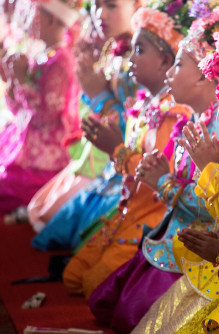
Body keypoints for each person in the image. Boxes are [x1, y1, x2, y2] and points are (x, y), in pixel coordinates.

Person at [86, 2, 219, 331]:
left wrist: (162, 181)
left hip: (195, 250)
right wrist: (156, 172)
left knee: (128, 316)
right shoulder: (191, 121)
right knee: (103, 301)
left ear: (204, 78)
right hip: (163, 233)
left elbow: (218, 208)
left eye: (178, 65)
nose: (169, 74)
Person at [62, 1, 192, 299]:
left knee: (91, 285)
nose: (130, 58)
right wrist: (112, 149)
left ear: (165, 60)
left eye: (140, 50)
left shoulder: (174, 113)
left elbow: (160, 176)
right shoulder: (142, 105)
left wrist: (117, 150)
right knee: (72, 276)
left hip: (152, 217)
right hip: (125, 212)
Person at [31, 0, 143, 250]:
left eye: (112, 6)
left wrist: (99, 97)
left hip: (128, 168)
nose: (100, 14)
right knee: (42, 219)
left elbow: (137, 129)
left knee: (62, 236)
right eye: (96, 5)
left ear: (137, 5)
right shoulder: (114, 51)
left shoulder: (141, 59)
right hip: (100, 160)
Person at [0, 0, 80, 219]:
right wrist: (11, 80)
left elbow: (47, 115)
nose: (27, 19)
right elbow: (20, 112)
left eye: (34, 13)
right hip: (23, 142)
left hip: (46, 157)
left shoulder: (61, 61)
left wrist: (22, 79)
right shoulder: (42, 55)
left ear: (52, 19)